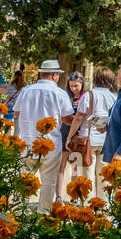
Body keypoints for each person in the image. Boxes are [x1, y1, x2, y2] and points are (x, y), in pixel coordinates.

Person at [12, 59, 73, 211]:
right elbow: (66, 119)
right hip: (51, 143)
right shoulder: (60, 93)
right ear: (54, 75)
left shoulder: (26, 91)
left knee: (25, 179)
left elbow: (16, 112)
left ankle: (19, 211)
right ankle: (44, 212)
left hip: (27, 141)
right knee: (49, 181)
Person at [56, 71, 93, 197]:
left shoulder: (87, 97)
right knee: (61, 164)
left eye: (76, 86)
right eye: (71, 86)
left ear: (82, 84)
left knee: (76, 167)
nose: (73, 89)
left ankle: (74, 196)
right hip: (65, 132)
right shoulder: (66, 96)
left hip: (78, 135)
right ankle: (58, 196)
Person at [83, 67, 117, 199]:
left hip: (90, 139)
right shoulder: (115, 96)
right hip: (108, 140)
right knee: (105, 175)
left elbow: (80, 116)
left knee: (88, 174)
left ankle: (89, 205)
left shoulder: (89, 95)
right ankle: (104, 205)